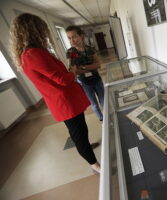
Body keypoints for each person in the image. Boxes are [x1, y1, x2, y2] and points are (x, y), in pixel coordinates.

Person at [9, 13, 101, 173]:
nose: (45, 34)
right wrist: (72, 71)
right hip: (64, 102)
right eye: (42, 30)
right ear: (33, 30)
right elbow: (63, 79)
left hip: (67, 99)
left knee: (81, 130)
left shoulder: (32, 53)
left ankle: (87, 148)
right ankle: (95, 165)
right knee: (78, 133)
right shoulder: (33, 54)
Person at [65, 26, 105, 121]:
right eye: (69, 38)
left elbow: (98, 65)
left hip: (96, 79)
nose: (72, 40)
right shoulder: (71, 52)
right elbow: (72, 70)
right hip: (84, 82)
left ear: (81, 36)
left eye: (74, 37)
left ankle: (108, 116)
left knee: (104, 100)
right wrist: (90, 67)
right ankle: (101, 118)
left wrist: (83, 67)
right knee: (94, 104)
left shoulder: (90, 49)